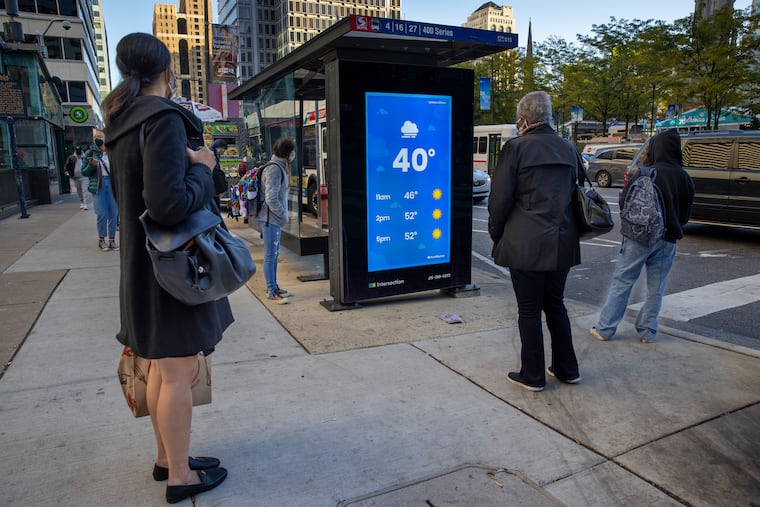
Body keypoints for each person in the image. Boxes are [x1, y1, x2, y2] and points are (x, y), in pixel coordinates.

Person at [101, 33, 230, 504]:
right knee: (177, 372)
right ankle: (181, 478)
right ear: (166, 71)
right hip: (172, 272)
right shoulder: (163, 119)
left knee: (159, 368)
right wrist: (202, 166)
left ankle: (165, 459)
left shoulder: (121, 122)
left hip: (141, 266)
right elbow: (169, 205)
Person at [488, 91, 582, 392]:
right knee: (556, 305)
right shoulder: (569, 148)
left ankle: (533, 374)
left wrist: (497, 233)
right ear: (549, 117)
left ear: (523, 120)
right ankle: (567, 369)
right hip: (562, 241)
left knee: (528, 310)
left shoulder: (516, 148)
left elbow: (499, 200)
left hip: (525, 243)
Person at [590, 129, 694, 343]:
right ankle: (647, 331)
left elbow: (625, 201)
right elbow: (686, 213)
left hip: (638, 237)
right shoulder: (684, 177)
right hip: (668, 239)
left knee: (623, 281)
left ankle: (605, 328)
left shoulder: (647, 172)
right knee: (656, 287)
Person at [257, 137, 294, 304]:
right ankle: (271, 291)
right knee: (270, 256)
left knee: (274, 254)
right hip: (269, 219)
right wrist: (283, 215)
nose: (293, 155)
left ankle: (274, 286)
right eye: (292, 152)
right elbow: (271, 198)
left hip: (271, 219)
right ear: (287, 153)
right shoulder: (274, 169)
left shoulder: (278, 167)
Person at [83, 133, 119, 251]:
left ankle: (112, 240)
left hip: (112, 184)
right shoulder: (90, 153)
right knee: (102, 213)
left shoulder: (112, 152)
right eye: (96, 136)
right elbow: (84, 172)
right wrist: (92, 166)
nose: (98, 138)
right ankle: (102, 240)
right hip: (99, 185)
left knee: (113, 213)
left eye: (100, 136)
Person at [64, 145, 89, 210]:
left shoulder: (85, 157)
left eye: (79, 150)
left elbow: (89, 165)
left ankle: (85, 203)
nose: (78, 152)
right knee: (79, 191)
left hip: (84, 177)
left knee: (85, 191)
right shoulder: (71, 157)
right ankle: (82, 202)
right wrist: (66, 171)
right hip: (75, 177)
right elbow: (67, 165)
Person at [210, 139, 228, 210]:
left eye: (224, 148)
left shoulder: (217, 156)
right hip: (213, 183)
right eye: (222, 148)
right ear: (216, 147)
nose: (223, 150)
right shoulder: (211, 156)